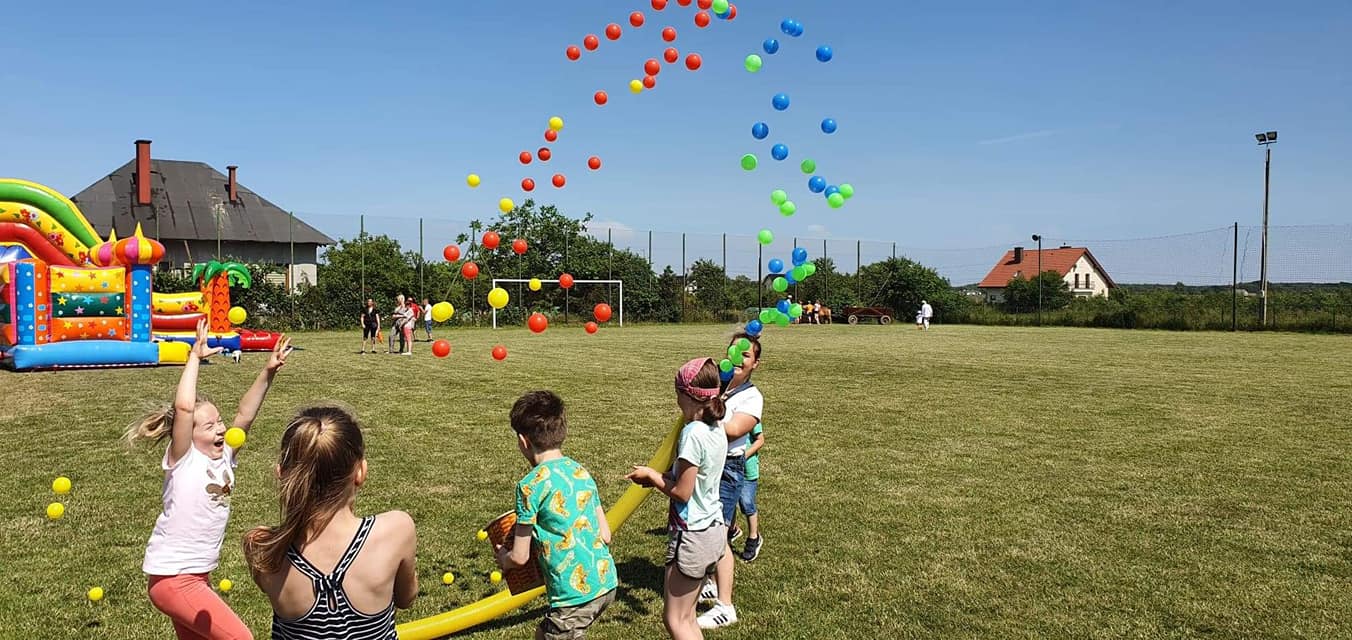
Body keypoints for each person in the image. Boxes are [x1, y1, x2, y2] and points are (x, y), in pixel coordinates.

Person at [126, 319, 291, 640]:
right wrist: (194, 357)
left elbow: (245, 415)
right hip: (175, 579)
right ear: (188, 433)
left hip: (197, 577)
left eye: (219, 422)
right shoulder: (183, 459)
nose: (219, 428)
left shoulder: (226, 454)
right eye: (209, 425)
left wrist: (267, 372)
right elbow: (184, 407)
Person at [244, 405, 418, 640]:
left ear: (282, 474)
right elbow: (406, 598)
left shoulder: (262, 546)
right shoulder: (397, 530)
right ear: (360, 472)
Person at [497, 391, 617, 639]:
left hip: (573, 596)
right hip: (606, 582)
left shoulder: (530, 486)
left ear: (523, 440)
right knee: (544, 634)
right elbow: (605, 535)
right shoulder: (580, 471)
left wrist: (504, 558)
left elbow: (519, 557)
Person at [626, 358, 727, 640]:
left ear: (684, 394)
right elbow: (694, 478)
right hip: (713, 530)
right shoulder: (716, 426)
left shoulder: (692, 433)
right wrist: (659, 476)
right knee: (688, 618)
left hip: (692, 535)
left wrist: (653, 476)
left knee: (675, 620)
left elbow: (683, 492)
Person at [697, 332, 763, 630]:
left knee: (719, 534)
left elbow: (734, 429)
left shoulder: (751, 396)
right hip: (707, 463)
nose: (738, 359)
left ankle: (725, 605)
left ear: (755, 364)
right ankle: (710, 582)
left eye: (745, 355)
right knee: (706, 526)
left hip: (728, 467)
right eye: (734, 352)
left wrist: (704, 410)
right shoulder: (717, 389)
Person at [737, 422, 765, 562]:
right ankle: (733, 530)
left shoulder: (750, 417)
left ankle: (754, 537)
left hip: (747, 468)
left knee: (746, 502)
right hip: (728, 466)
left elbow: (760, 440)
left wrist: (744, 456)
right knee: (726, 501)